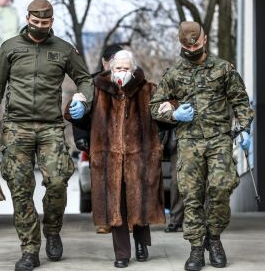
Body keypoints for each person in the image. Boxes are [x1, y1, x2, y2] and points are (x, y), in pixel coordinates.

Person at [0, 0, 93, 271]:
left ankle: (52, 230)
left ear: (52, 21)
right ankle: (30, 249)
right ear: (28, 19)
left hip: (51, 127)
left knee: (57, 181)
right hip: (17, 127)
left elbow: (85, 79)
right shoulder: (10, 48)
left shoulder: (64, 49)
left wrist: (83, 100)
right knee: (20, 188)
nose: (40, 26)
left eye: (46, 22)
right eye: (36, 21)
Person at [149, 21, 254, 270]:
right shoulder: (173, 73)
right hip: (189, 141)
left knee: (221, 187)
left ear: (204, 39)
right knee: (191, 195)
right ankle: (196, 248)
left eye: (196, 42)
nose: (192, 47)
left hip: (219, 139)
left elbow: (240, 99)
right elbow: (154, 107)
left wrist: (245, 127)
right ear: (181, 43)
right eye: (187, 44)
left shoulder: (223, 69)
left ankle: (214, 238)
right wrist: (174, 115)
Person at [65, 49, 165, 268]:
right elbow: (77, 117)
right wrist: (76, 110)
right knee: (116, 207)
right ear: (110, 69)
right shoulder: (97, 90)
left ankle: (141, 242)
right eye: (118, 68)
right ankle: (122, 253)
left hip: (140, 158)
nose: (122, 72)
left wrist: (171, 110)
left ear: (133, 69)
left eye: (126, 68)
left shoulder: (148, 90)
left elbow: (164, 115)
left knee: (139, 202)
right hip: (108, 160)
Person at [70, 44, 123, 234]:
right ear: (104, 62)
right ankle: (104, 220)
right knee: (101, 182)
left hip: (125, 141)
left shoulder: (131, 83)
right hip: (99, 140)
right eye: (112, 62)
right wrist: (81, 137)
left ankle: (128, 220)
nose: (116, 66)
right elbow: (79, 113)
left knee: (126, 181)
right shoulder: (91, 83)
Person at [163, 128, 184, 233]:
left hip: (201, 139)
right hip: (178, 140)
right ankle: (176, 221)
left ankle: (203, 221)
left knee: (201, 182)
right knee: (177, 181)